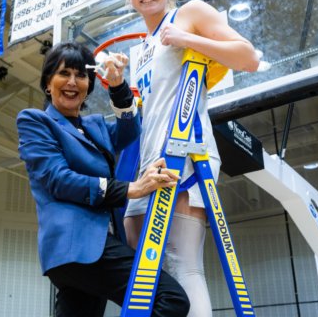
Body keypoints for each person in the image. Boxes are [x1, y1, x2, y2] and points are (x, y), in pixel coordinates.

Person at [123, 0, 260, 317]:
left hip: (184, 154)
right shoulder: (143, 49)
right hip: (148, 164)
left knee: (184, 266)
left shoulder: (188, 14)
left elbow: (249, 58)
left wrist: (186, 38)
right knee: (145, 274)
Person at [16, 41, 190, 317]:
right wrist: (131, 188)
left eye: (81, 75)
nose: (73, 82)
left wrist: (118, 84)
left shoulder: (95, 126)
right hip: (78, 244)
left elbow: (130, 130)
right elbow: (59, 180)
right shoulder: (35, 121)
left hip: (93, 247)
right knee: (170, 299)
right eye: (64, 73)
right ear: (48, 83)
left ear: (88, 86)